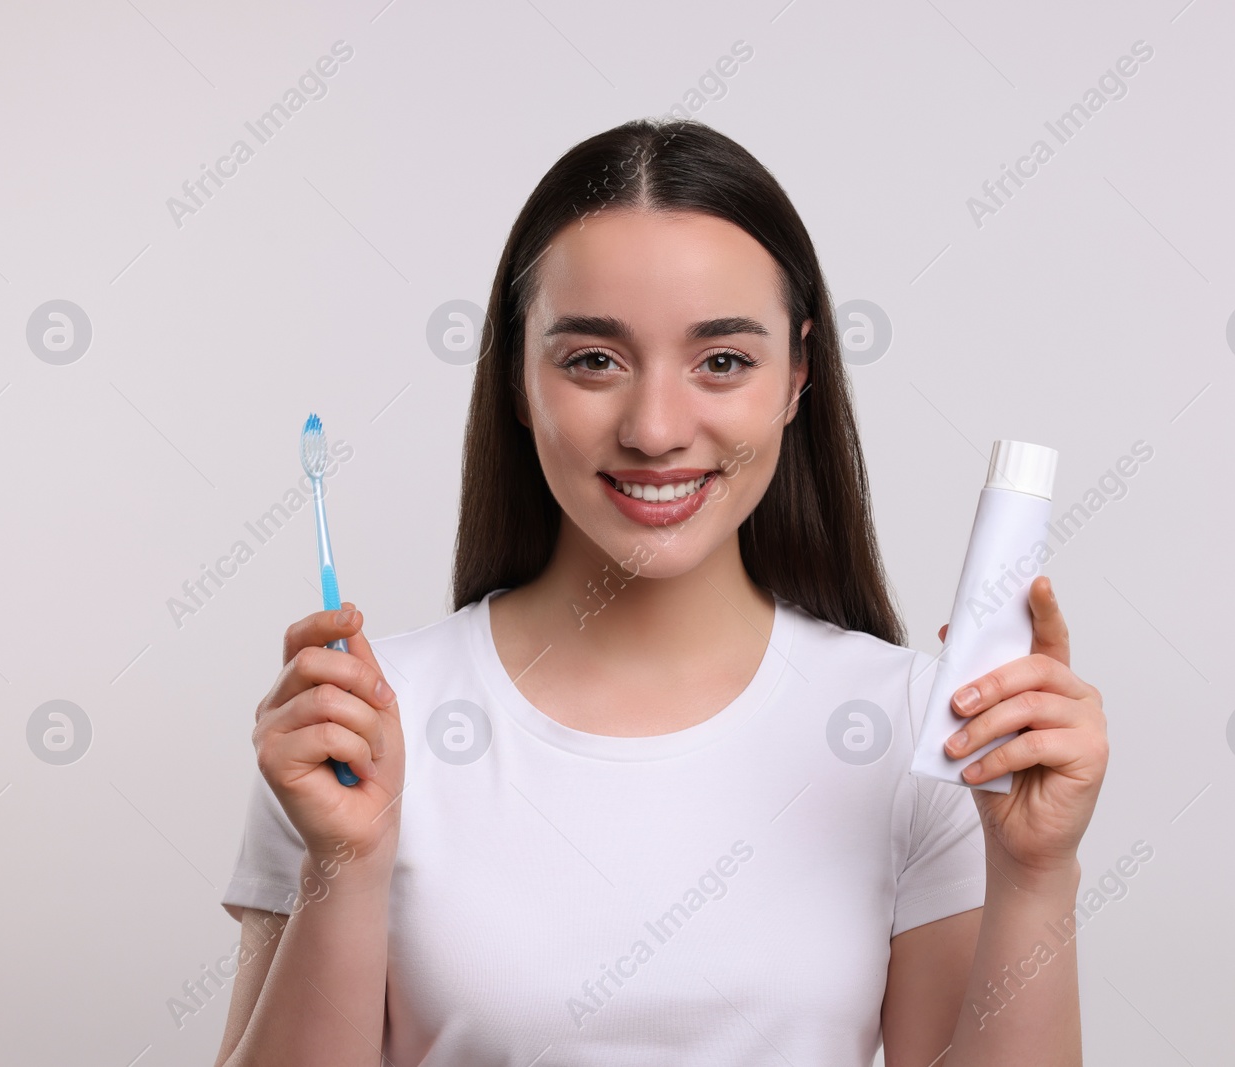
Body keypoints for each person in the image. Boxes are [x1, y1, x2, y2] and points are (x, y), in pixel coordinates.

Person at [213, 118, 1108, 1067]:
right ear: (518, 375)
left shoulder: (914, 727)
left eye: (722, 360)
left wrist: (1035, 877)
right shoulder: (356, 728)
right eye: (593, 359)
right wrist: (344, 865)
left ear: (798, 374)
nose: (654, 428)